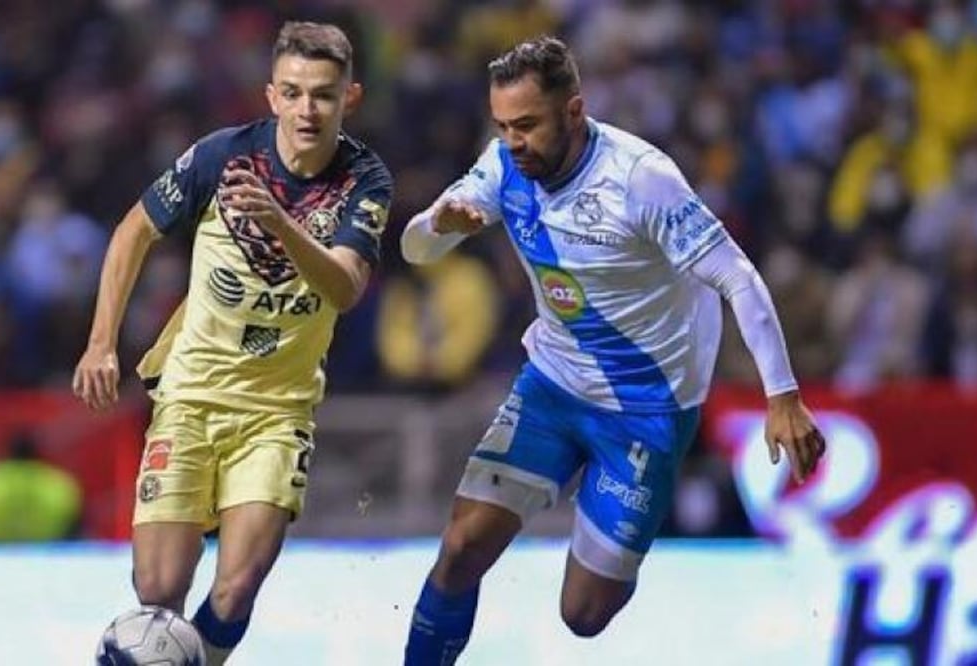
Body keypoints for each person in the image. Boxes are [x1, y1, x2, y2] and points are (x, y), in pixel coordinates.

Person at [398, 37, 826, 663]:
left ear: (573, 111)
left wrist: (783, 395)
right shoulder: (502, 167)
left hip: (647, 408)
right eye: (503, 127)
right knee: (461, 549)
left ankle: (608, 491)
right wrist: (440, 227)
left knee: (585, 615)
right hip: (552, 384)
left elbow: (738, 277)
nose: (514, 142)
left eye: (527, 125)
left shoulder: (641, 180)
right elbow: (413, 249)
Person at [72, 21, 391, 665]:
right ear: (271, 94)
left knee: (237, 587)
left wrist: (280, 224)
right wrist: (100, 341)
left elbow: (345, 286)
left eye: (324, 95)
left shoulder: (365, 180)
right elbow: (134, 230)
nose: (308, 109)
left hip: (278, 410)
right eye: (295, 93)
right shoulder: (222, 156)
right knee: (157, 591)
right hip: (191, 396)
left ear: (348, 99)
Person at [0, 429, 83, 542]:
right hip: (47, 559)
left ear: (5, 451)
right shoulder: (60, 483)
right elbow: (75, 530)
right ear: (39, 452)